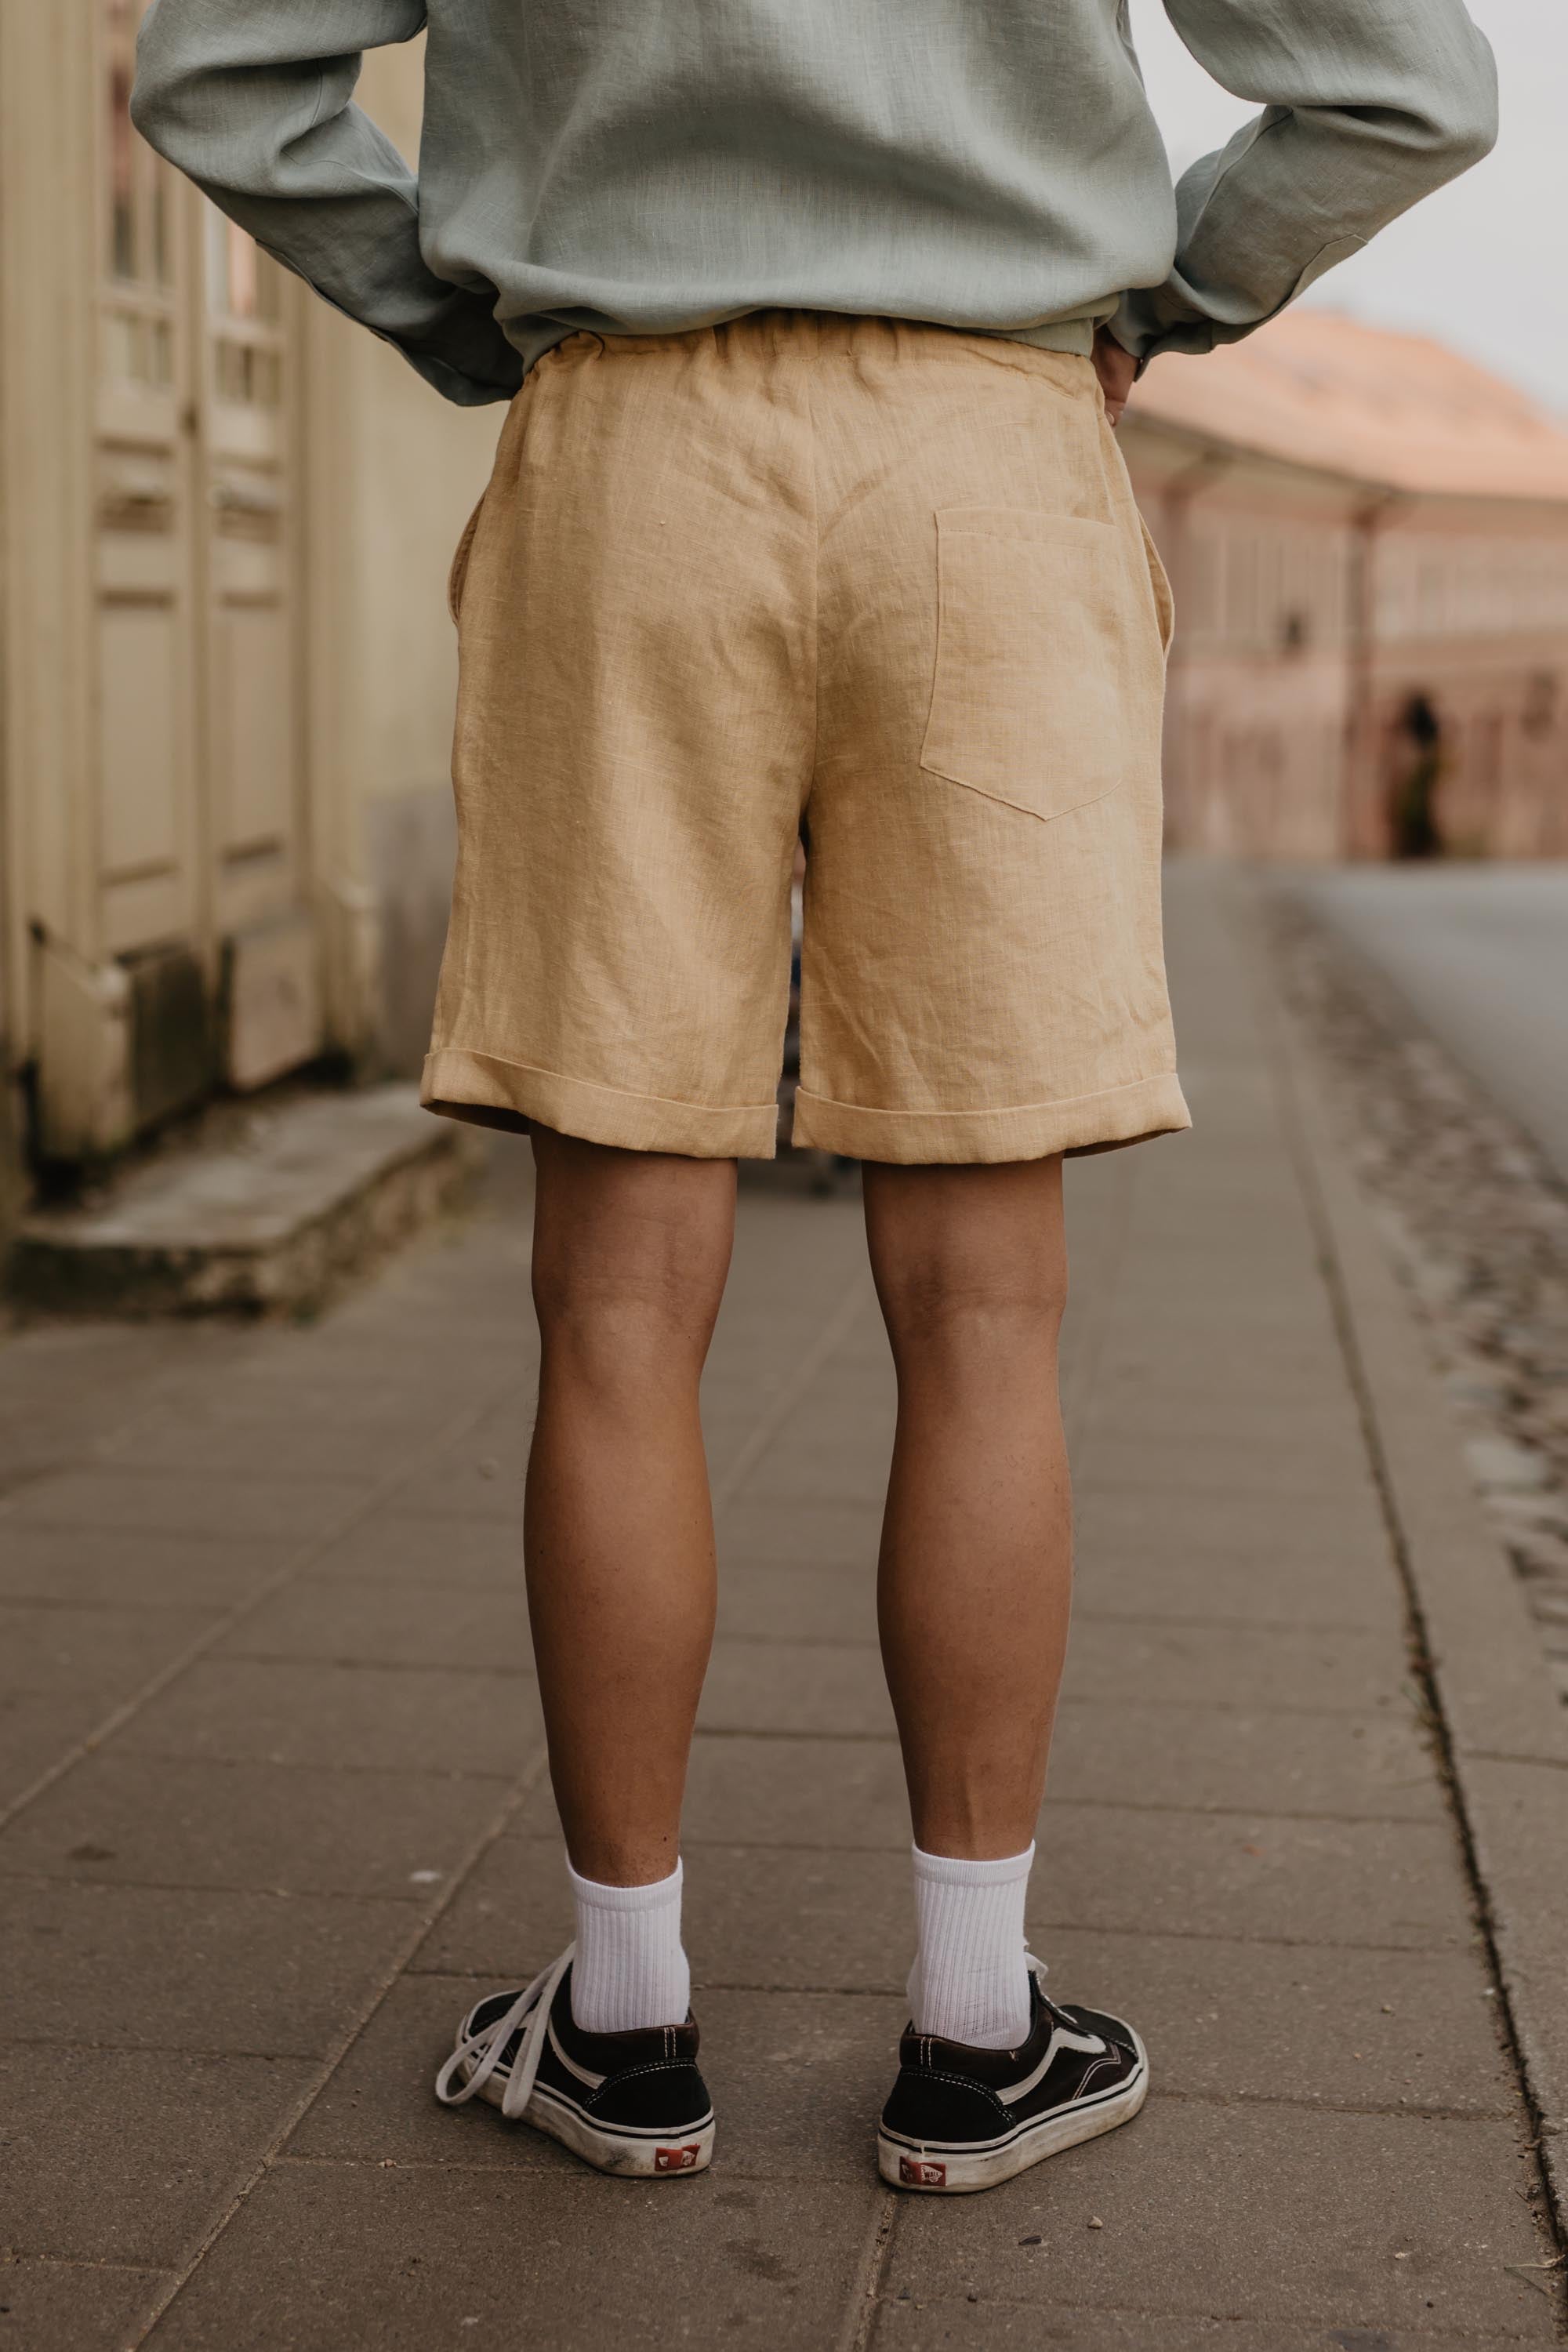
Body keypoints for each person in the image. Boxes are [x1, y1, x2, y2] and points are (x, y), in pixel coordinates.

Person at [133, 0, 1496, 2196]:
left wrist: (478, 313)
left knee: (614, 1302)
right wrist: (1162, 291)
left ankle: (623, 2019)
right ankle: (975, 2027)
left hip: (625, 461)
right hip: (990, 450)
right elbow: (1408, 91)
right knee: (986, 1307)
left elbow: (216, 76)